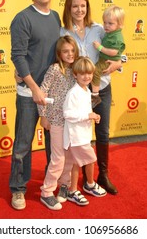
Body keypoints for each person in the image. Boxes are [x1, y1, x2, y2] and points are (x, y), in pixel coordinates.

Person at [60, 0, 122, 195]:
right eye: (75, 6)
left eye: (83, 5)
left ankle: (102, 175)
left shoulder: (99, 29)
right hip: (77, 94)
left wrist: (119, 63)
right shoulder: (63, 32)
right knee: (78, 136)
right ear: (69, 8)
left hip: (101, 88)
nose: (79, 10)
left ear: (87, 7)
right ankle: (70, 178)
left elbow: (119, 49)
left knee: (102, 132)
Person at [9, 0, 60, 210]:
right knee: (23, 143)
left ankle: (50, 185)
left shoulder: (56, 17)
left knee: (54, 142)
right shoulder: (23, 18)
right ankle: (18, 189)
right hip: (30, 94)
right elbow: (18, 56)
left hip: (53, 93)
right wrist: (34, 88)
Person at [38, 36, 79, 210]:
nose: (69, 54)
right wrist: (43, 115)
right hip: (55, 120)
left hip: (72, 122)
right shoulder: (54, 69)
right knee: (58, 158)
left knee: (69, 156)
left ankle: (64, 185)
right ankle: (46, 192)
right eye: (65, 51)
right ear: (59, 53)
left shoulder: (77, 70)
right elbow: (42, 92)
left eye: (72, 50)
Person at [63, 56, 107, 206]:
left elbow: (85, 112)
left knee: (76, 163)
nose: (86, 76)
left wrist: (93, 117)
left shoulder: (86, 91)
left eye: (89, 73)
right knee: (90, 160)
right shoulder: (73, 93)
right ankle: (89, 184)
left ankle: (73, 190)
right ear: (75, 75)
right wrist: (87, 116)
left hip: (83, 135)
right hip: (76, 136)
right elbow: (67, 114)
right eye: (82, 74)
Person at [92, 5, 125, 107]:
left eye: (110, 23)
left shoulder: (116, 37)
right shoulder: (109, 32)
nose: (106, 25)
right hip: (105, 59)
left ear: (119, 24)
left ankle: (95, 95)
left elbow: (115, 52)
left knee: (96, 71)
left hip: (107, 60)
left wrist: (100, 48)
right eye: (105, 22)